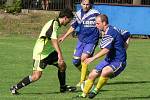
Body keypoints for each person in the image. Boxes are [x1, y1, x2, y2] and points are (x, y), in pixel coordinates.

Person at [10, 8, 76, 95]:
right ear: (65, 18)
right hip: (41, 53)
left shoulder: (56, 24)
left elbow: (52, 38)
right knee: (36, 76)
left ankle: (63, 88)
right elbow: (53, 40)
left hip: (49, 52)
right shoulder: (54, 24)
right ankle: (15, 87)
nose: (69, 22)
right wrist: (60, 54)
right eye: (69, 20)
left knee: (62, 65)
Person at [76, 14, 130, 98]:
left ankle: (95, 90)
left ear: (104, 23)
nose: (96, 25)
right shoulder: (111, 29)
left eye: (97, 23)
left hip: (119, 61)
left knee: (105, 71)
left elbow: (106, 50)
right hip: (108, 59)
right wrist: (124, 47)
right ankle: (83, 95)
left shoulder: (110, 33)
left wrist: (92, 58)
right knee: (92, 75)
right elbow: (127, 33)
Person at [59, 0, 100, 87]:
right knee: (75, 61)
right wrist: (64, 36)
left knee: (83, 59)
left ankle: (82, 82)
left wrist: (104, 35)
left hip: (92, 41)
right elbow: (73, 26)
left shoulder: (95, 13)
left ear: (90, 4)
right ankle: (89, 75)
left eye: (87, 4)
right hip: (81, 41)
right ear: (81, 4)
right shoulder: (78, 14)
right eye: (84, 4)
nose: (85, 6)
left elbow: (100, 25)